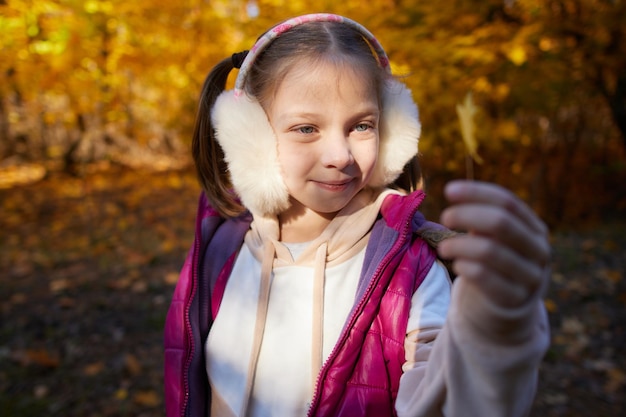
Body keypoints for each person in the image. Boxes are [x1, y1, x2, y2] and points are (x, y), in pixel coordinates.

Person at [163, 13, 551, 417]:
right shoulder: (218, 250)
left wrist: (498, 333)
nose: (340, 156)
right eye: (306, 129)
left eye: (361, 126)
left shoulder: (411, 270)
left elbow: (452, 401)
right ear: (249, 137)